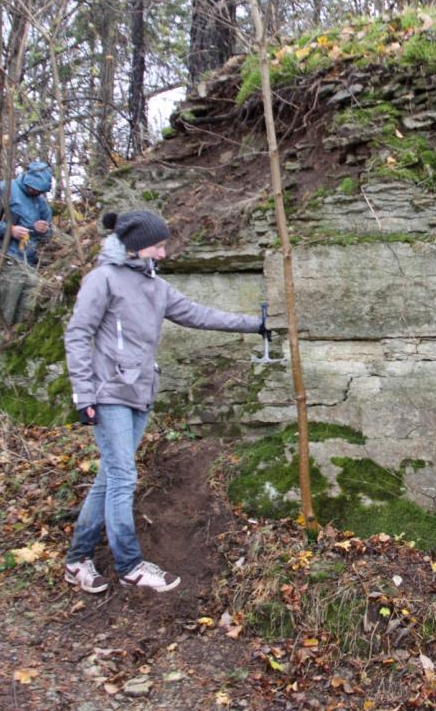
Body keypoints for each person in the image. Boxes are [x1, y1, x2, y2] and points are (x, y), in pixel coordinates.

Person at [62, 210, 267, 593]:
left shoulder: (156, 287)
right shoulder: (102, 280)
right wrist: (83, 394)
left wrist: (254, 324)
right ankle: (130, 566)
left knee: (109, 478)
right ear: (137, 248)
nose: (164, 253)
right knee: (123, 477)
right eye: (158, 245)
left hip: (140, 394)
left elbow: (197, 315)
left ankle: (77, 560)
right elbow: (77, 335)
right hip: (108, 393)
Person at [0, 160, 54, 326]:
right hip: (5, 258)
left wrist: (43, 230)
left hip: (29, 262)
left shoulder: (41, 202)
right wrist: (10, 230)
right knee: (6, 308)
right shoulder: (4, 189)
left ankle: (17, 342)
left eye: (39, 190)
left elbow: (49, 233)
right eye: (34, 188)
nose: (35, 191)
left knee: (27, 308)